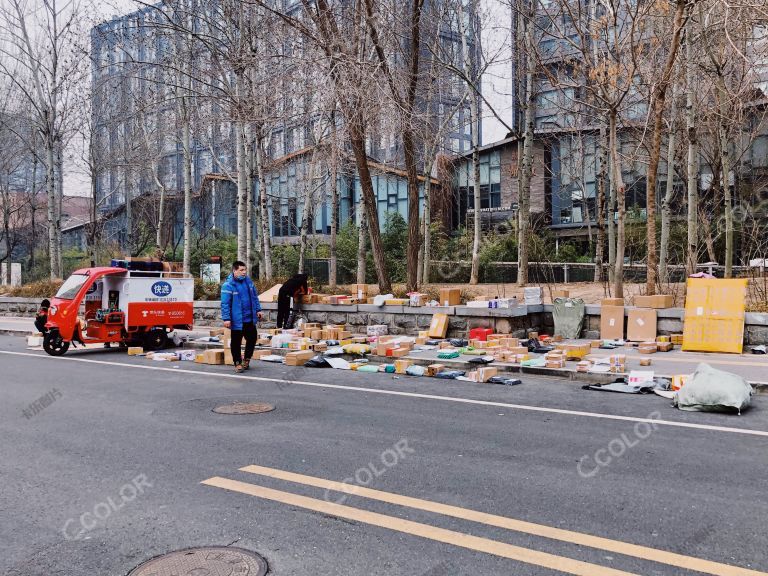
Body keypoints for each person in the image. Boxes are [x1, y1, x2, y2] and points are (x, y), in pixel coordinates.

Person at [221, 261, 263, 373]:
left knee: (252, 338)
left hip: (249, 318)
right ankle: (237, 363)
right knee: (236, 342)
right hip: (237, 320)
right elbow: (225, 304)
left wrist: (258, 310)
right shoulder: (228, 285)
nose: (244, 272)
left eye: (245, 270)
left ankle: (247, 359)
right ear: (234, 271)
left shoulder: (248, 282)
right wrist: (226, 318)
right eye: (241, 270)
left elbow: (254, 297)